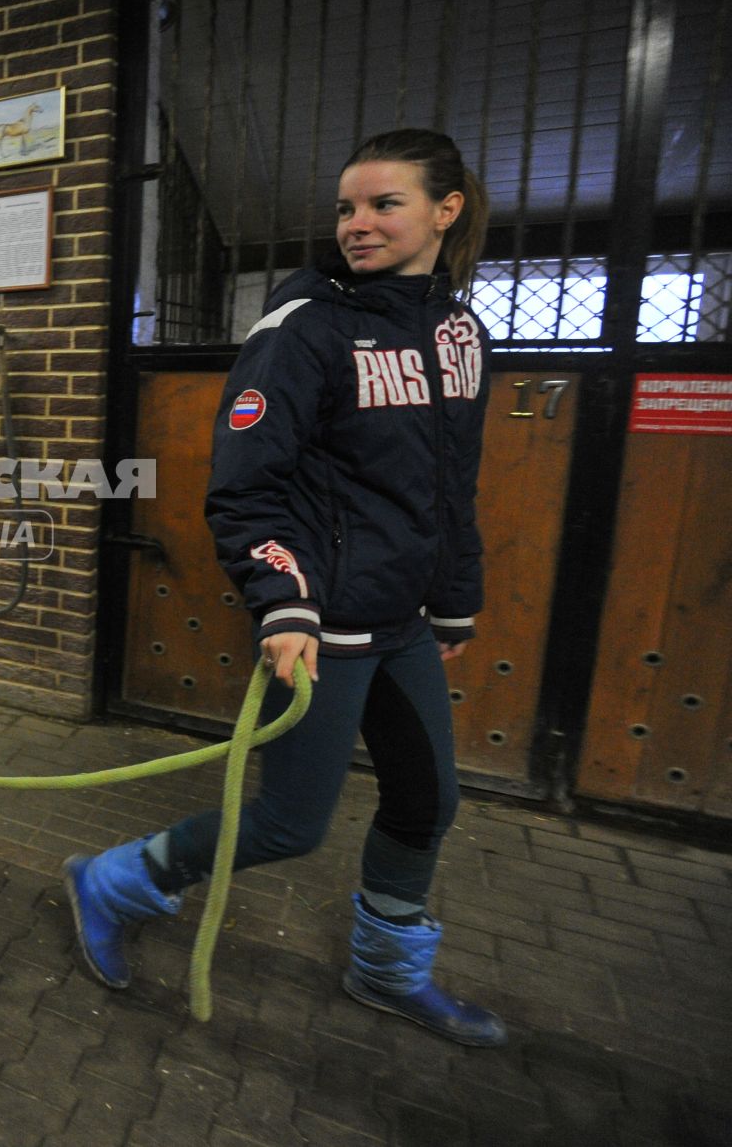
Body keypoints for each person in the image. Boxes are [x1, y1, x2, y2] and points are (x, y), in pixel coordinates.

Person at [66, 129, 504, 1046]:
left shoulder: (461, 333)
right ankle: (111, 879)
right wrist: (284, 601)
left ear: (446, 209)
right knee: (288, 824)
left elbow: (453, 477)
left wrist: (453, 595)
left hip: (406, 619)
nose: (358, 224)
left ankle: (386, 971)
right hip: (326, 619)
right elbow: (245, 484)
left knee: (429, 802)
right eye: (347, 207)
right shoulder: (304, 328)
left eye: (384, 204)